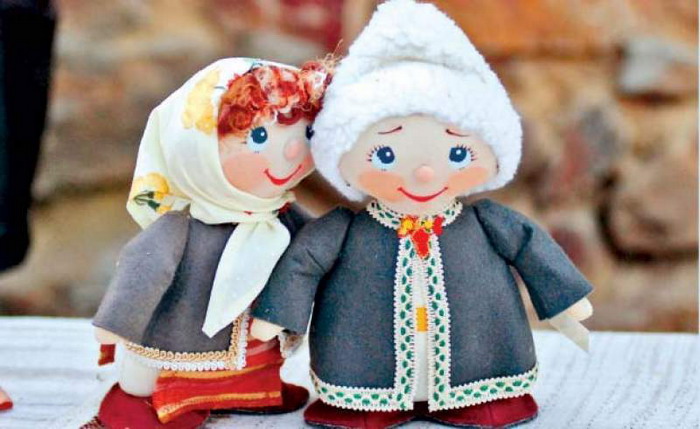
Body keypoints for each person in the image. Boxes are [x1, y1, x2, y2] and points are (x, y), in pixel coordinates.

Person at [250, 1, 593, 428]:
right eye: (386, 154)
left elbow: (531, 249)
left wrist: (566, 299)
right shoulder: (343, 231)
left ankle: (479, 396)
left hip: (480, 361)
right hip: (364, 369)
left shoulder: (489, 223)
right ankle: (366, 403)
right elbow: (303, 264)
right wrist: (277, 315)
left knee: (480, 373)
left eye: (457, 153)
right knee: (363, 380)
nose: (426, 173)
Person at [91, 57, 333, 428]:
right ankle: (147, 396)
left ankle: (252, 390)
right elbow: (145, 268)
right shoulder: (181, 228)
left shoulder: (283, 217)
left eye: (306, 135)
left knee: (258, 362)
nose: (291, 153)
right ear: (197, 148)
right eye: (259, 137)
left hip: (255, 340)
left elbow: (318, 246)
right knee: (147, 378)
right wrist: (116, 322)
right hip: (177, 340)